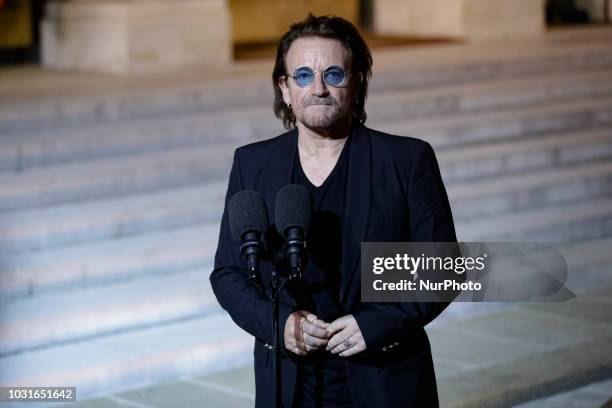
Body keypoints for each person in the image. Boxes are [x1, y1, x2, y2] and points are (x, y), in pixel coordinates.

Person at [210, 14, 457, 408]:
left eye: (334, 75)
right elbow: (229, 273)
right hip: (289, 383)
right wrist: (280, 326)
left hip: (384, 377)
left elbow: (442, 266)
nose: (319, 88)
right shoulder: (252, 164)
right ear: (285, 88)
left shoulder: (406, 159)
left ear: (357, 83)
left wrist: (376, 323)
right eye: (303, 75)